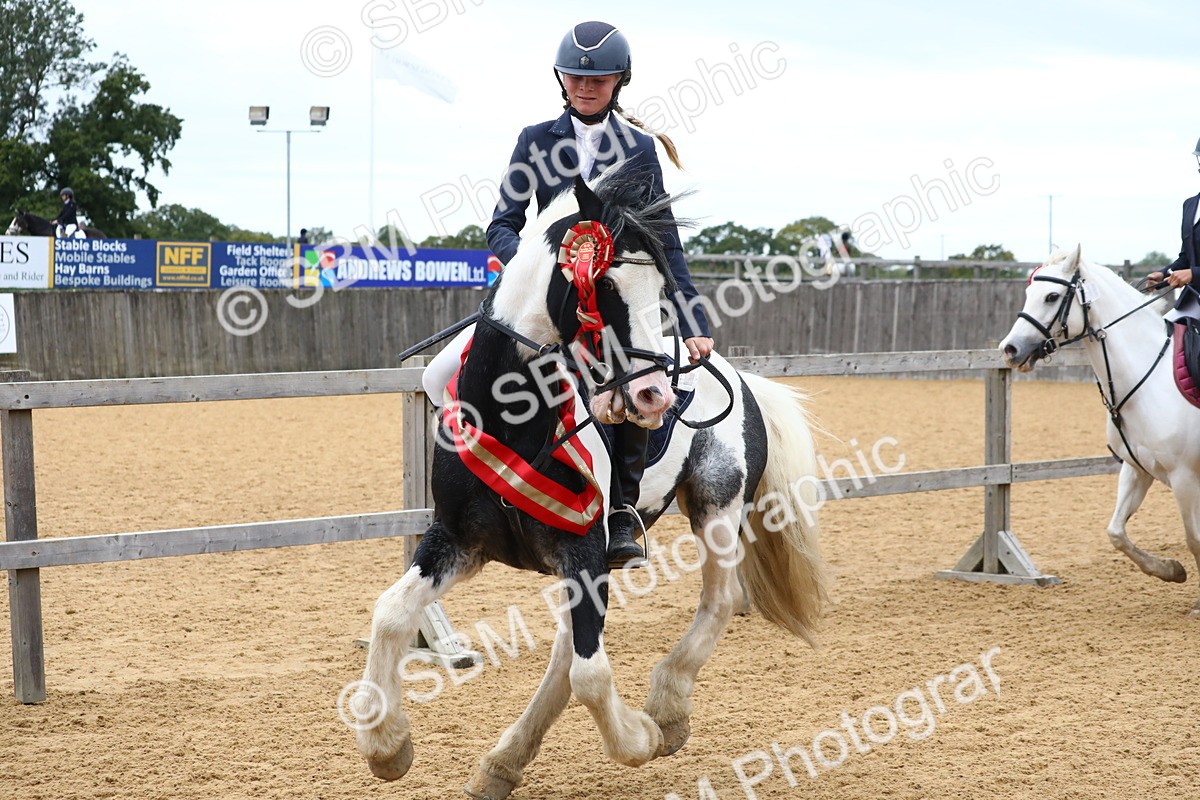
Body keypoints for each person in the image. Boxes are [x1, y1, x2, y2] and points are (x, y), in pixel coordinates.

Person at [481, 20, 714, 566]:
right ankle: (467, 489)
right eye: (576, 78)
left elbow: (666, 241)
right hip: (543, 302)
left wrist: (693, 316)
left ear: (619, 82)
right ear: (561, 80)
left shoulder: (638, 149)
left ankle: (623, 511)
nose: (586, 87)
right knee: (441, 375)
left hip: (609, 308)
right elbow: (502, 225)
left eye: (600, 79)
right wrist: (533, 273)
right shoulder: (535, 140)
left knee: (634, 379)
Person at [1147, 136, 1200, 324]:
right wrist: (1164, 273)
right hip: (1194, 299)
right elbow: (1187, 257)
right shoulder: (1190, 205)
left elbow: (1192, 269)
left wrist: (1194, 273)